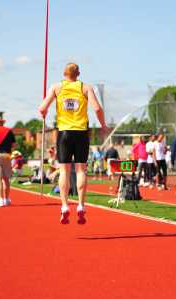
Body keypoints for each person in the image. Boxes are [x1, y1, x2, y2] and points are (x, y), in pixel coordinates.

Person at [38, 62, 107, 224]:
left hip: (64, 133)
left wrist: (44, 113)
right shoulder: (85, 88)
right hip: (81, 132)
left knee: (64, 171)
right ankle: (81, 206)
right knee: (81, 170)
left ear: (64, 73)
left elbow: (42, 108)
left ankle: (64, 206)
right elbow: (97, 108)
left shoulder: (56, 87)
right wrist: (103, 125)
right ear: (79, 74)